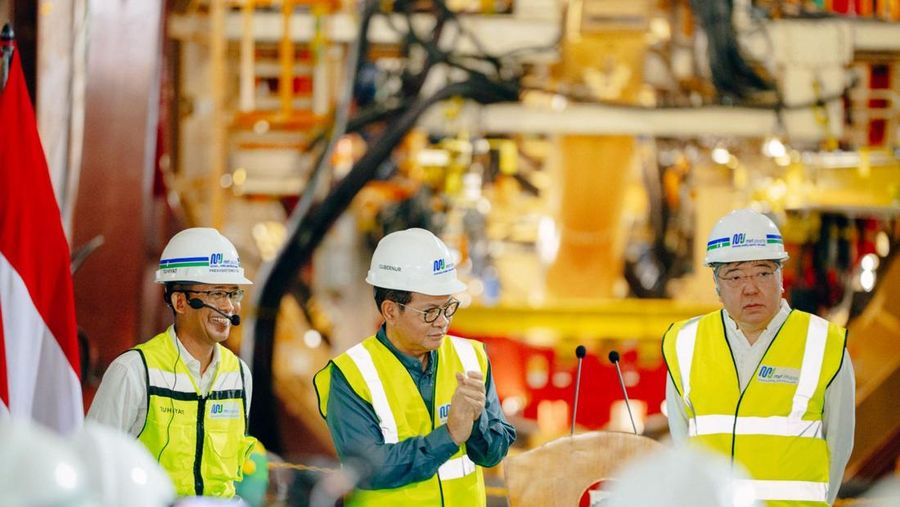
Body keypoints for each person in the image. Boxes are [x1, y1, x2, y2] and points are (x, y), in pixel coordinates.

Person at [662, 209, 855, 506]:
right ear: (716, 284)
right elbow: (682, 444)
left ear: (781, 277)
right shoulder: (685, 343)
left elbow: (839, 445)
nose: (750, 288)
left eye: (763, 273)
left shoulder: (825, 345)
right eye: (735, 276)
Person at [313, 228, 516, 506]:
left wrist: (477, 420)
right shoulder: (350, 375)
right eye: (430, 312)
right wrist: (449, 435)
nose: (443, 321)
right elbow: (370, 470)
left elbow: (493, 454)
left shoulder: (470, 357)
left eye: (448, 308)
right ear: (391, 311)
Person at [88, 227, 256, 498]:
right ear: (180, 301)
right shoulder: (133, 372)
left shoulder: (239, 375)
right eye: (216, 294)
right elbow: (93, 464)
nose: (229, 307)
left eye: (234, 293)